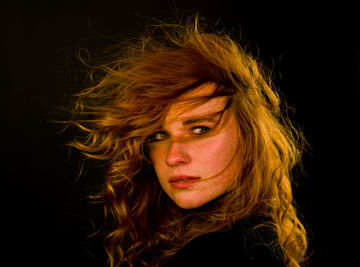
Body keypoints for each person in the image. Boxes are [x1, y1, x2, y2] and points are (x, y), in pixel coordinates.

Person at [64, 14, 308, 267]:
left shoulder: (222, 251)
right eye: (158, 135)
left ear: (251, 137)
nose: (172, 156)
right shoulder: (247, 242)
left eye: (200, 129)